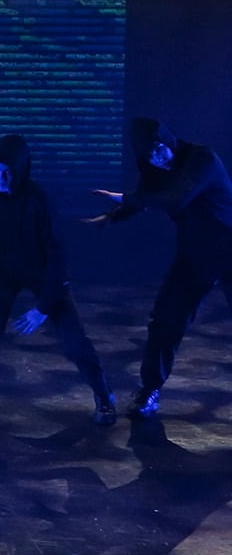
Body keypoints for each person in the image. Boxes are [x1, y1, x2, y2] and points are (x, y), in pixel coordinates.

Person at [0, 135, 114, 425]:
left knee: (75, 344)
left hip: (44, 274)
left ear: (19, 171)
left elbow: (57, 255)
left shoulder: (38, 200)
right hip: (4, 270)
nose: (0, 178)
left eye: (6, 172)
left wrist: (42, 307)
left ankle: (104, 399)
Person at [86, 117, 232, 417]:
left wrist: (125, 197)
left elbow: (177, 197)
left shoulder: (201, 159)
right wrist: (113, 216)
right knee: (165, 320)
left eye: (160, 148)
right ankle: (150, 390)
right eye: (150, 154)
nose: (158, 157)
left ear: (169, 141)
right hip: (197, 254)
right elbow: (144, 198)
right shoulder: (153, 171)